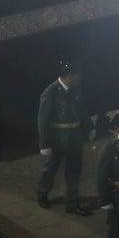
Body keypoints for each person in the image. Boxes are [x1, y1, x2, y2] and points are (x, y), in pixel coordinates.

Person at [35, 60, 91, 215]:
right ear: (69, 76)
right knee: (51, 169)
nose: (79, 78)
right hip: (58, 139)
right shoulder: (51, 93)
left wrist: (88, 128)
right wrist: (44, 144)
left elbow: (82, 110)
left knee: (74, 170)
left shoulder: (75, 89)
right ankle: (42, 192)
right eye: (76, 75)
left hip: (74, 138)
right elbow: (43, 120)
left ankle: (72, 203)